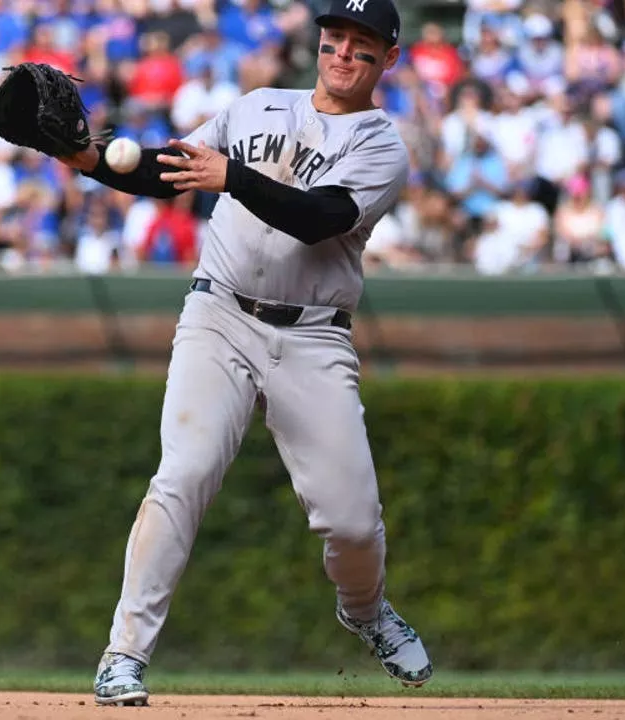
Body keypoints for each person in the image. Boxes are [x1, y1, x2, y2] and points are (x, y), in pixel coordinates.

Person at [57, 0, 432, 706]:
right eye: (335, 37)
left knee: (351, 521)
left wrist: (233, 177)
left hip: (314, 335)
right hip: (218, 315)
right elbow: (168, 169)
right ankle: (124, 654)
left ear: (389, 59)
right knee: (184, 473)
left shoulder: (382, 146)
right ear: (318, 42)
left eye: (362, 43)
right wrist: (85, 156)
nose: (344, 52)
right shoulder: (257, 107)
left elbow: (320, 218)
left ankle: (365, 610)